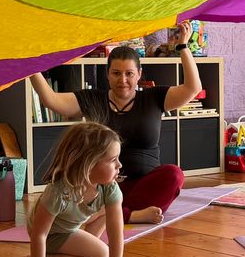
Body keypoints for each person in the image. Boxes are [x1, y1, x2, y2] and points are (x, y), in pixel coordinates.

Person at [29, 20, 202, 224]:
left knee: (174, 175)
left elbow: (193, 88)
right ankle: (128, 215)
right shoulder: (93, 99)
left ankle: (113, 214)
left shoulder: (153, 98)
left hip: (143, 184)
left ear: (139, 75)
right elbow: (51, 100)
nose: (123, 80)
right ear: (108, 75)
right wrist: (30, 65)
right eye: (116, 73)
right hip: (100, 187)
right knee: (69, 184)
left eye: (129, 74)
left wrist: (183, 46)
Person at [23, 121, 125, 257]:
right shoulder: (58, 192)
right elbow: (38, 234)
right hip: (51, 236)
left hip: (70, 227)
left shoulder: (109, 188)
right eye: (113, 160)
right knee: (99, 256)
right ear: (88, 164)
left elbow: (116, 232)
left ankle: (79, 247)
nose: (119, 165)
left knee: (108, 214)